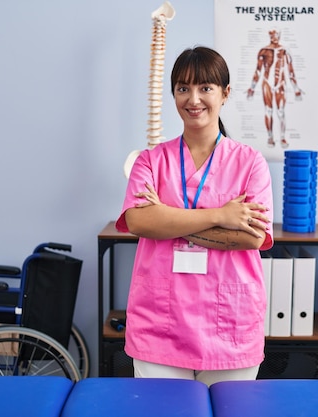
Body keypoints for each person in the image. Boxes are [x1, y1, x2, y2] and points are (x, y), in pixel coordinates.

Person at [115, 46, 274, 386]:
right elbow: (140, 222)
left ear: (225, 93)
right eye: (183, 88)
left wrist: (167, 221)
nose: (193, 99)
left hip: (229, 326)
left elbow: (252, 237)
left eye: (205, 88)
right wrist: (221, 215)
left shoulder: (250, 164)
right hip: (160, 326)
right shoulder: (150, 161)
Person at [247, 28, 304, 149]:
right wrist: (252, 87)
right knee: (268, 111)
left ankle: (282, 137)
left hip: (280, 84)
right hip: (267, 83)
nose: (274, 36)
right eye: (272, 34)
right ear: (269, 35)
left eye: (276, 34)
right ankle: (270, 137)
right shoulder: (263, 51)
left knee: (280, 111)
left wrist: (296, 89)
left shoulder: (285, 51)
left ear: (280, 35)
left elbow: (290, 71)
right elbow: (258, 70)